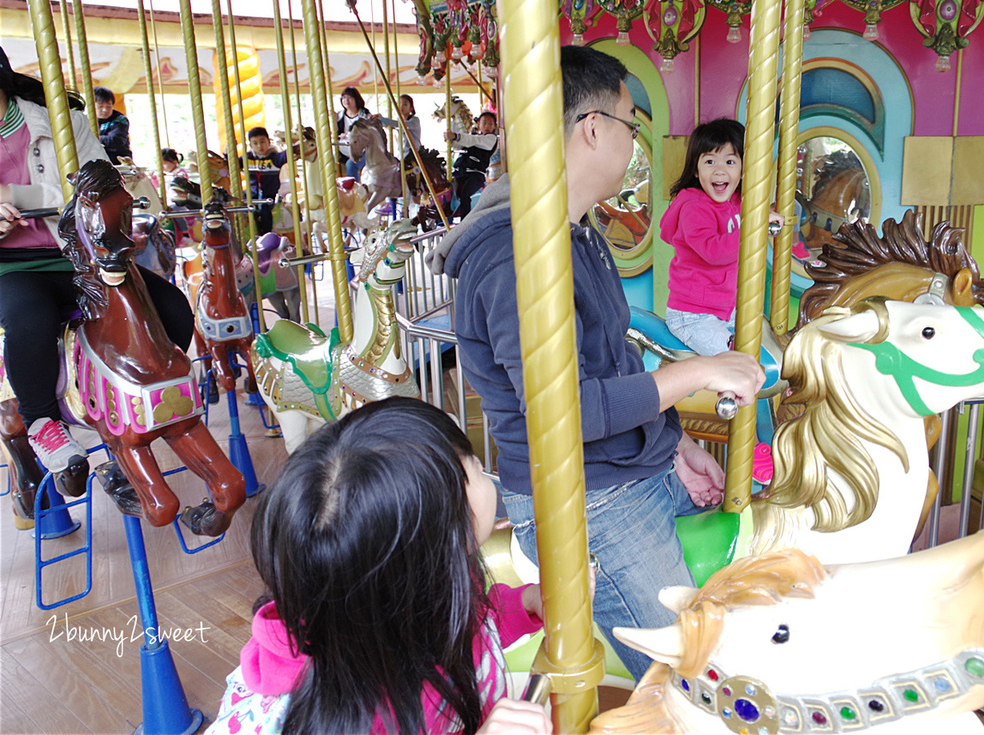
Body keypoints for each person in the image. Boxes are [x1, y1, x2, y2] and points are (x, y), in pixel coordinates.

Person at [430, 46, 764, 680]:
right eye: (629, 123)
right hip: (592, 502)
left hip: (628, 473)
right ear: (591, 128)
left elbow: (611, 362)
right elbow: (567, 410)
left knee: (732, 634)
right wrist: (699, 371)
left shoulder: (579, 233)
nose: (633, 140)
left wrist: (674, 443)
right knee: (696, 677)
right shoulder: (515, 256)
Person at [204, 398, 552, 735]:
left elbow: (470, 624)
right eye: (473, 469)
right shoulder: (348, 714)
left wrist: (525, 604)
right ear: (443, 535)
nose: (480, 469)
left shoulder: (410, 588)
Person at [0, 48, 193, 475]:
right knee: (29, 320)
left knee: (172, 309)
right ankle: (42, 421)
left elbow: (102, 191)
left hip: (80, 255)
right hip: (11, 267)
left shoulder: (60, 123)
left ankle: (145, 397)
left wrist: (17, 196)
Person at [660, 119, 785, 355]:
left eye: (729, 161)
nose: (719, 170)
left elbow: (748, 217)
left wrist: (763, 215)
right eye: (709, 161)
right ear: (696, 171)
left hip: (726, 308)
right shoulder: (694, 207)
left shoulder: (737, 201)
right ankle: (729, 393)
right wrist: (755, 225)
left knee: (767, 345)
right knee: (735, 360)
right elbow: (714, 251)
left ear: (742, 169)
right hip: (693, 315)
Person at [446, 111, 498, 219]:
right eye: (484, 123)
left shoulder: (491, 139)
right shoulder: (473, 138)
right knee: (446, 187)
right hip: (460, 172)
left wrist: (456, 136)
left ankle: (465, 222)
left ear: (494, 126)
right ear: (478, 124)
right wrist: (450, 139)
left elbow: (474, 140)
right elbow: (459, 146)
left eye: (490, 124)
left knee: (465, 194)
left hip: (475, 175)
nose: (487, 126)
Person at [244, 126, 288, 235]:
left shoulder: (275, 158)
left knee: (264, 211)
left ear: (269, 142)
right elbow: (230, 163)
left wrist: (289, 141)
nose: (259, 146)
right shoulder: (247, 158)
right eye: (255, 143)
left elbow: (289, 153)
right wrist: (227, 152)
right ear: (250, 145)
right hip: (251, 194)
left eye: (262, 142)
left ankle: (266, 234)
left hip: (268, 195)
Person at [336, 86, 370, 179]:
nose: (346, 100)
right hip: (343, 149)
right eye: (344, 98)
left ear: (356, 99)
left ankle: (353, 189)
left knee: (351, 165)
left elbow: (367, 133)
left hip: (361, 150)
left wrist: (348, 135)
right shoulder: (339, 116)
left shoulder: (364, 115)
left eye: (350, 98)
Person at [93, 86, 132, 164]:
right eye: (100, 106)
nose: (105, 110)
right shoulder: (86, 120)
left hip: (117, 161)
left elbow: (116, 140)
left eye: (108, 106)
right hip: (96, 160)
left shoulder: (120, 120)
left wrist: (92, 138)